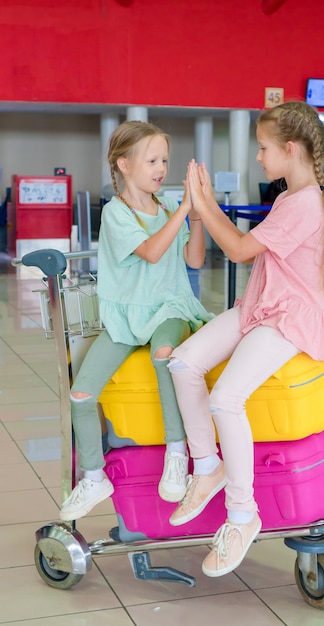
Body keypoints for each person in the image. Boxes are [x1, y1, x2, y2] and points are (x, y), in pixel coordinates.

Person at [167, 101, 324, 578]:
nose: (260, 158)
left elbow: (241, 251)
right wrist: (204, 204)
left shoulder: (307, 200)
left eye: (264, 149)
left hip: (289, 316)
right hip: (262, 304)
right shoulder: (291, 196)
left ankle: (242, 515)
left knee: (227, 399)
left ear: (290, 149)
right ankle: (207, 466)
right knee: (184, 364)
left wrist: (204, 203)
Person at [60, 120, 214, 521]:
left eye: (164, 159)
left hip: (169, 308)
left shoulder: (166, 209)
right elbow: (150, 251)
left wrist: (195, 218)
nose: (161, 168)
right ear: (124, 164)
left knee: (164, 354)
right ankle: (94, 476)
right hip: (125, 316)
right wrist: (184, 208)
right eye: (152, 160)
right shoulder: (116, 213)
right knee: (80, 395)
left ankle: (177, 452)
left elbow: (193, 260)